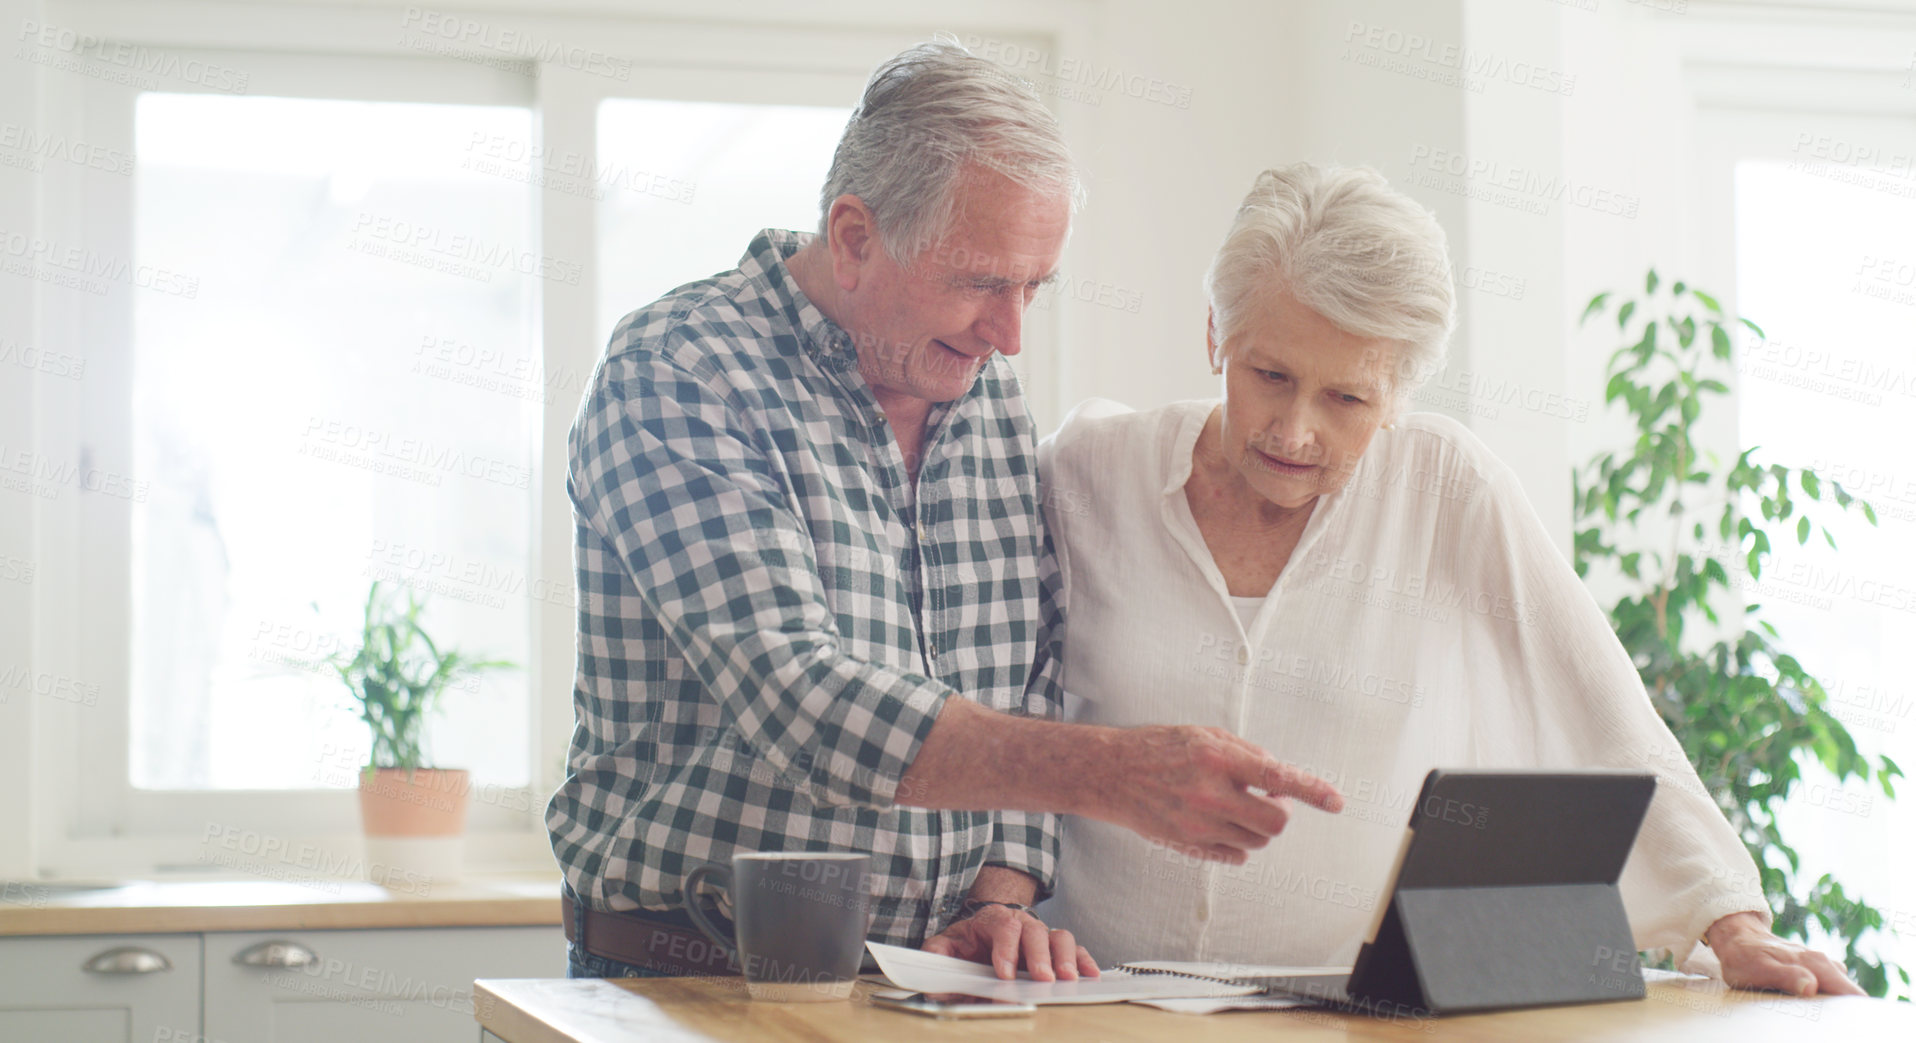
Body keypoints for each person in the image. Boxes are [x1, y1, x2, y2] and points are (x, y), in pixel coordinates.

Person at [547, 43, 1341, 984]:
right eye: (981, 282)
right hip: (689, 981)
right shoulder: (681, 372)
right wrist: (1111, 773)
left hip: (915, 982)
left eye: (1033, 287)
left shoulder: (984, 393)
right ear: (853, 238)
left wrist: (997, 898)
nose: (1009, 335)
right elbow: (797, 696)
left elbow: (1029, 665)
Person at [1036, 163, 1864, 997]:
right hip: (1090, 1000)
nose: (1295, 430)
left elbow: (1603, 705)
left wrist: (1731, 924)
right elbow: (999, 713)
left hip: (1338, 1013)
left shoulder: (1445, 486)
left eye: (1347, 398)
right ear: (1216, 333)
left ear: (1399, 392)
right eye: (1270, 375)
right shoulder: (1090, 473)